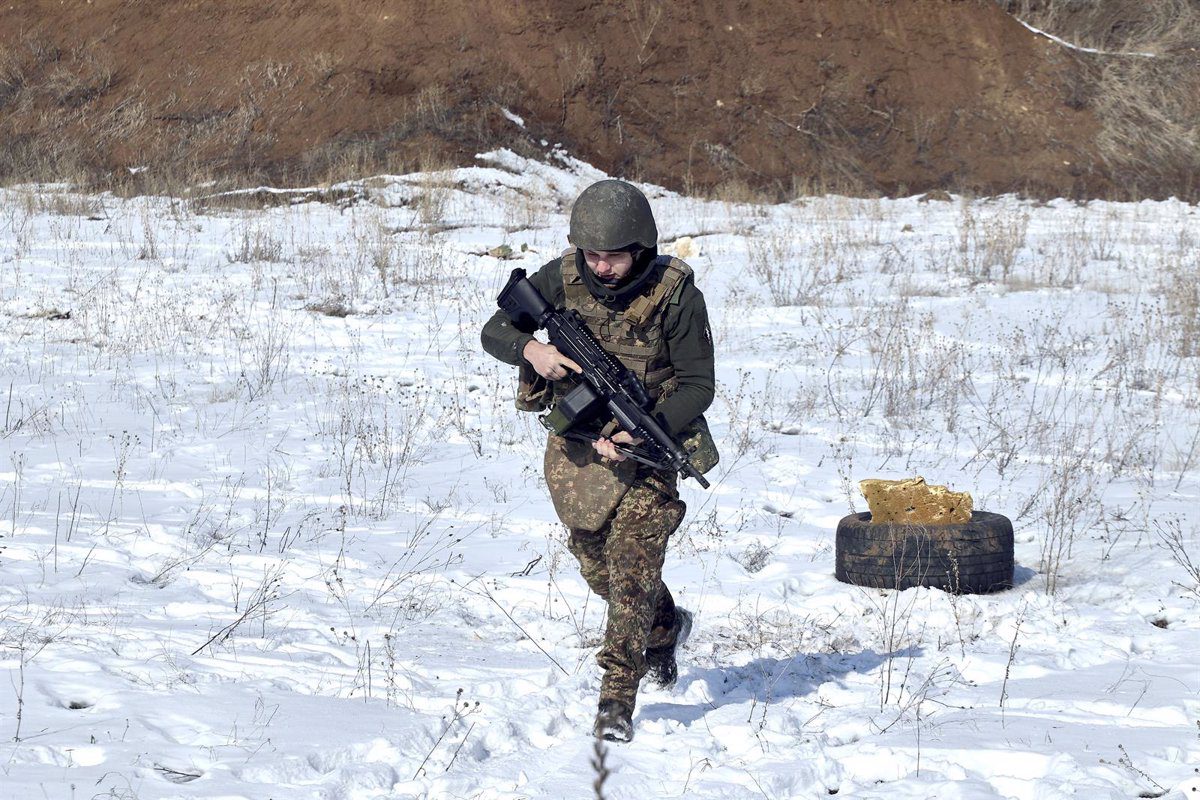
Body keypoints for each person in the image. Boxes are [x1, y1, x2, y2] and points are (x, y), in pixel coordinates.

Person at [481, 179, 716, 742]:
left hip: (653, 441)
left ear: (642, 249)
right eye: (593, 256)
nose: (602, 267)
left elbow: (698, 386)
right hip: (582, 444)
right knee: (598, 565)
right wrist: (531, 350)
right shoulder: (559, 278)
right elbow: (496, 330)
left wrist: (637, 432)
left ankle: (616, 700)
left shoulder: (677, 293)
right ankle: (662, 626)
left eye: (614, 257)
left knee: (633, 562)